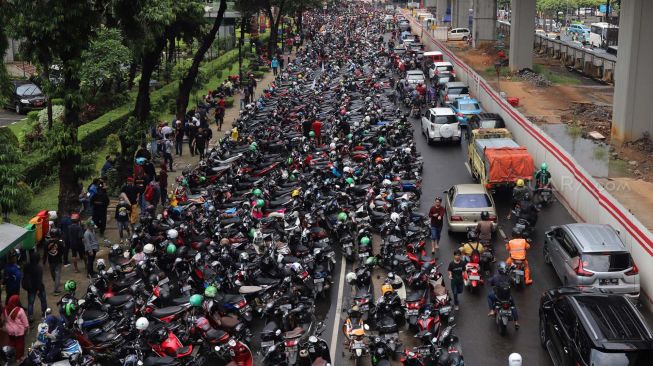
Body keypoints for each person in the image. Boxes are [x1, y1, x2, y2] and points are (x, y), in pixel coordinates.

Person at [487, 261, 520, 329]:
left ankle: (492, 310)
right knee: (513, 306)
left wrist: (489, 280)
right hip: (508, 298)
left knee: (489, 296)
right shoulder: (509, 277)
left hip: (498, 297)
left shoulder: (496, 277)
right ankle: (516, 322)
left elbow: (491, 282)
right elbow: (514, 282)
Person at [1, 295, 29, 360]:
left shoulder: (5, 309)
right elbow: (25, 323)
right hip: (19, 331)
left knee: (12, 342)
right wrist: (26, 329)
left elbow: (4, 319)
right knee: (20, 345)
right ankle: (18, 358)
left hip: (10, 330)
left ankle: (11, 354)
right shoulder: (20, 310)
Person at [22, 251, 47, 322]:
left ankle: (30, 316)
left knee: (30, 303)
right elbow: (39, 280)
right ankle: (44, 313)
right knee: (43, 300)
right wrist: (39, 289)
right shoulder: (39, 268)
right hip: (38, 287)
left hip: (30, 288)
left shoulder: (26, 266)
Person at [44, 229, 64, 295]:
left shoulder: (46, 243)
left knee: (53, 274)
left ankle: (56, 288)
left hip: (50, 261)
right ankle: (56, 287)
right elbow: (62, 252)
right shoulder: (60, 242)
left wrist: (44, 262)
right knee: (57, 275)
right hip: (58, 261)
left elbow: (45, 253)